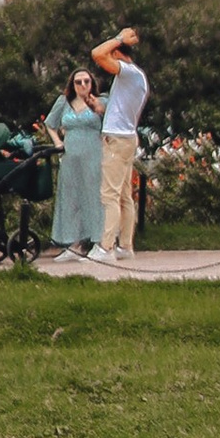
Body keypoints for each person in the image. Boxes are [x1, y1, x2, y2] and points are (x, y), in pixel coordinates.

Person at [87, 26, 148, 263]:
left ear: (119, 55)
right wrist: (99, 107)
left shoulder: (129, 72)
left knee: (109, 195)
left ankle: (105, 247)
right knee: (124, 195)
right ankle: (125, 245)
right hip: (126, 137)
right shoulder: (135, 78)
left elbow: (97, 54)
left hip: (116, 140)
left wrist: (118, 39)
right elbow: (119, 108)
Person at [45, 69, 103, 263]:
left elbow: (108, 121)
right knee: (71, 198)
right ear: (72, 84)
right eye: (78, 82)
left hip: (93, 153)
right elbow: (50, 123)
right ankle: (73, 244)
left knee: (94, 197)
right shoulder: (64, 102)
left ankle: (97, 242)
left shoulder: (100, 101)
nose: (83, 85)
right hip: (70, 155)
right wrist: (58, 143)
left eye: (86, 81)